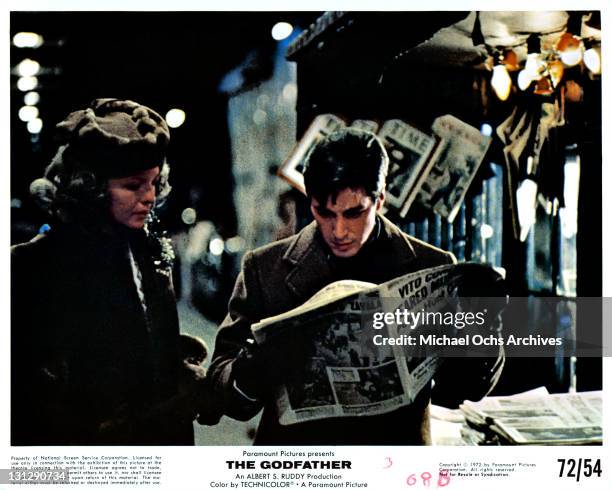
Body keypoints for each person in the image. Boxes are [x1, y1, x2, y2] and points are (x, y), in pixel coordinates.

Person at [208, 128, 503, 445]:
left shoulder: (431, 266)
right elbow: (220, 386)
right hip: (303, 466)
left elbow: (458, 392)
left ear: (379, 200)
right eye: (324, 211)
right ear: (310, 202)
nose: (339, 230)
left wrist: (481, 332)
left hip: (391, 465)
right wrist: (256, 369)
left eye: (354, 213)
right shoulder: (265, 269)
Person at [11, 98, 209, 445]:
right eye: (133, 186)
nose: (149, 197)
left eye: (153, 182)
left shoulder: (147, 250)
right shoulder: (30, 267)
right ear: (89, 186)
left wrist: (175, 367)